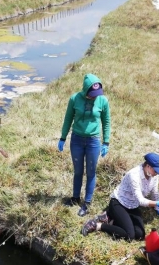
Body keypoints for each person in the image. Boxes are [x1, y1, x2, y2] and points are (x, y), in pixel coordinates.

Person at [80, 153, 159, 241]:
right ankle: (97, 225)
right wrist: (157, 203)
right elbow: (141, 201)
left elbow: (155, 192)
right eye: (156, 171)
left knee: (140, 235)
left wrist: (158, 208)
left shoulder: (154, 176)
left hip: (132, 206)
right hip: (119, 203)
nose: (157, 173)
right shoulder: (134, 175)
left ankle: (109, 218)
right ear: (148, 166)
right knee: (129, 235)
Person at [58, 73, 111, 216]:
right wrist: (63, 137)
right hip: (77, 139)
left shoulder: (103, 101)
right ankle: (75, 198)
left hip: (93, 141)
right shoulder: (74, 99)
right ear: (85, 89)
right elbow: (68, 118)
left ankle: (87, 203)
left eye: (97, 93)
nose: (95, 96)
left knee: (91, 172)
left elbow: (106, 122)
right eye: (92, 93)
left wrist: (106, 141)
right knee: (78, 171)